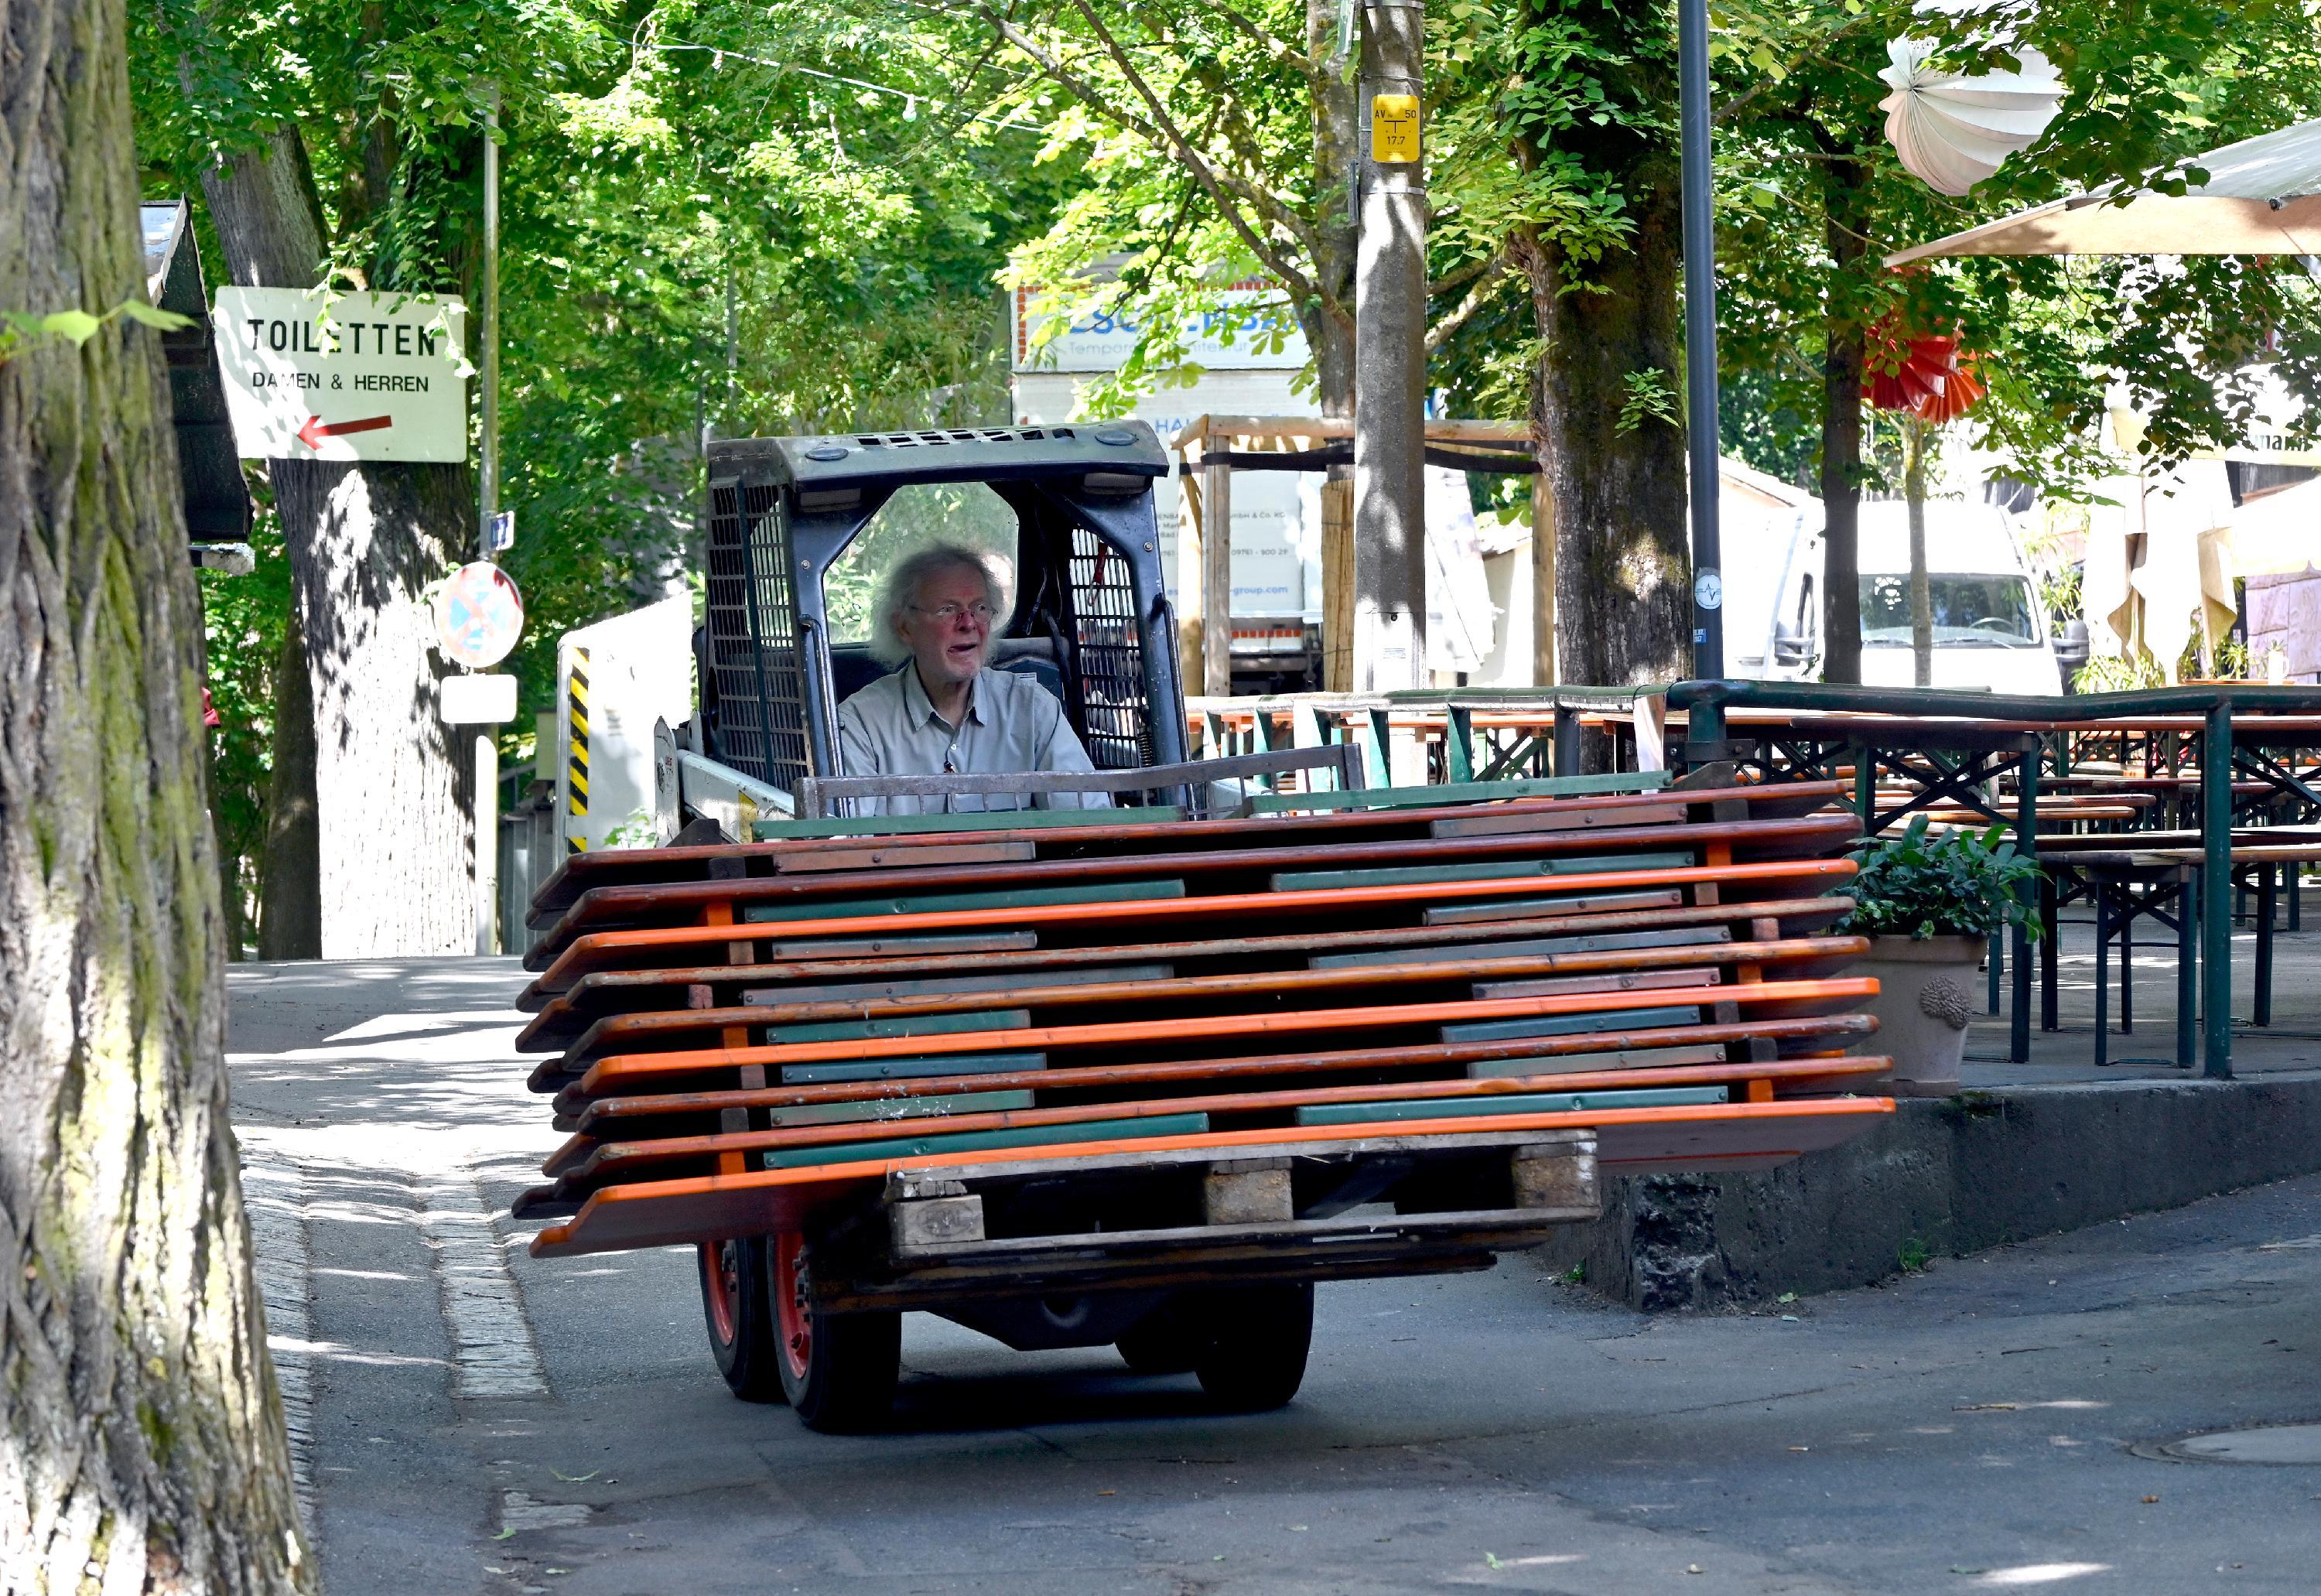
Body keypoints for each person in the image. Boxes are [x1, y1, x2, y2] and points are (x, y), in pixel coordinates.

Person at [836, 542, 1103, 815]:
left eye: (980, 608)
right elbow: (844, 844)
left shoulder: (1033, 709)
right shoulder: (861, 724)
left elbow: (1089, 824)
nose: (968, 623)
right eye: (948, 610)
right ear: (904, 627)